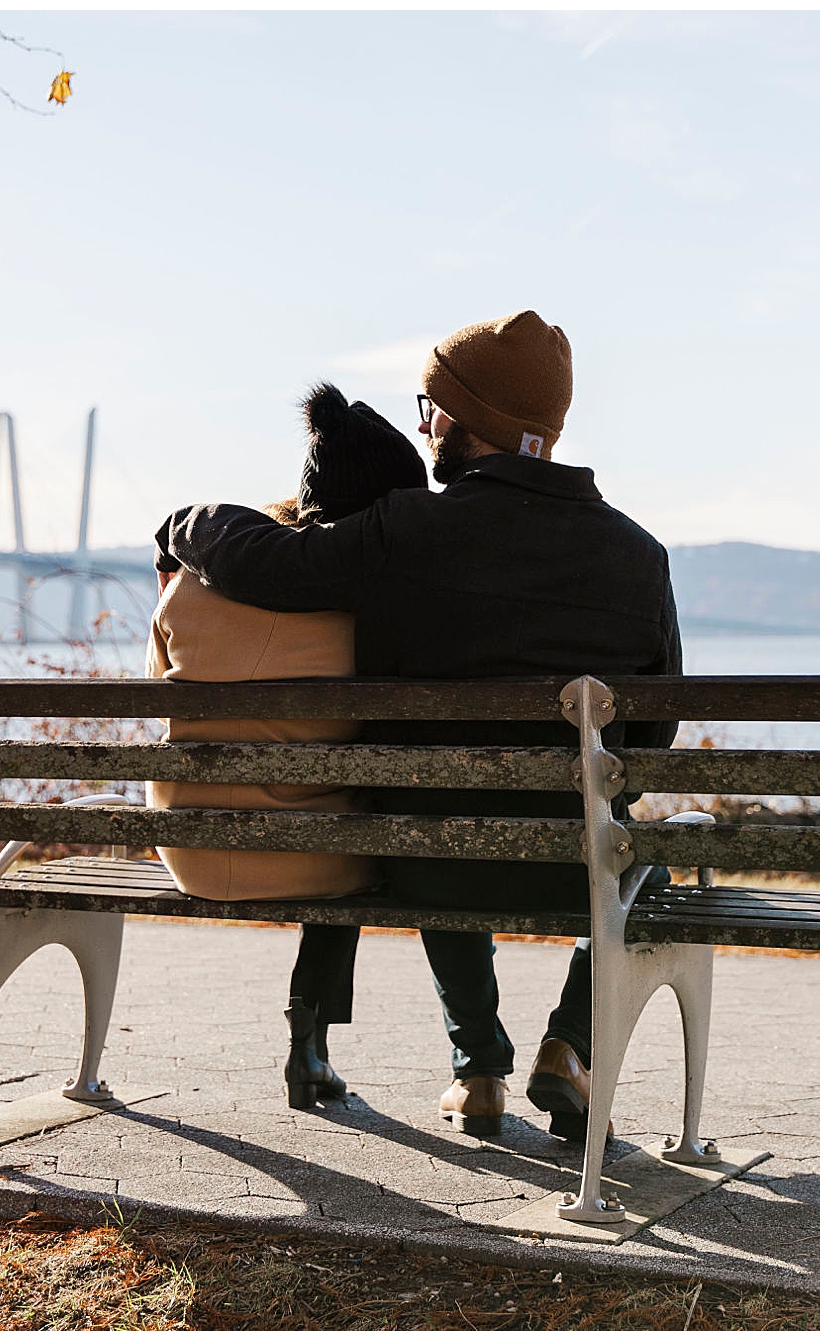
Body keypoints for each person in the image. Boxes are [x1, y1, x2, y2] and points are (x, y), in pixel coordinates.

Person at [153, 312, 681, 1140]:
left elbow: (270, 562)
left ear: (466, 419)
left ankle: (477, 1070)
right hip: (571, 870)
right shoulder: (640, 558)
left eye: (429, 407)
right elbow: (651, 738)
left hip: (432, 866)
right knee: (647, 865)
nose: (423, 424)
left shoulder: (408, 528)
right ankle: (569, 1047)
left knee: (441, 830)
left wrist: (183, 522)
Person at [147, 382, 428, 1110]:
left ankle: (312, 1042)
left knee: (325, 812)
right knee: (349, 830)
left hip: (188, 847)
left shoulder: (186, 587)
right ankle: (309, 1041)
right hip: (314, 854)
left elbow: (156, 693)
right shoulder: (370, 607)